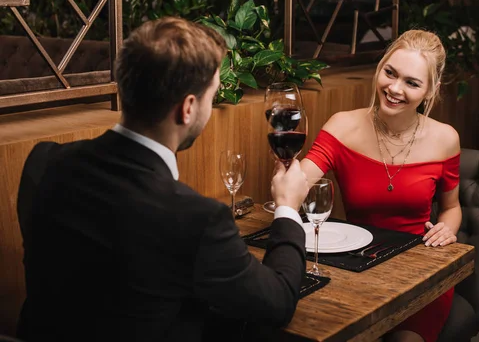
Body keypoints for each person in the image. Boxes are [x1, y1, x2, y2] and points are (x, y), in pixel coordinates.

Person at [17, 17, 309, 342]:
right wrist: (287, 208)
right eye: (211, 98)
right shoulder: (195, 219)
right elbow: (278, 302)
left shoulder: (43, 162)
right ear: (187, 108)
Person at [301, 30, 462, 342]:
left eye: (412, 82)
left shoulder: (446, 139)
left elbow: (452, 207)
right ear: (380, 67)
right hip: (354, 268)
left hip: (418, 273)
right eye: (390, 72)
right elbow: (299, 182)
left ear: (430, 91)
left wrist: (447, 227)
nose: (394, 88)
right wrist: (287, 172)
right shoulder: (341, 126)